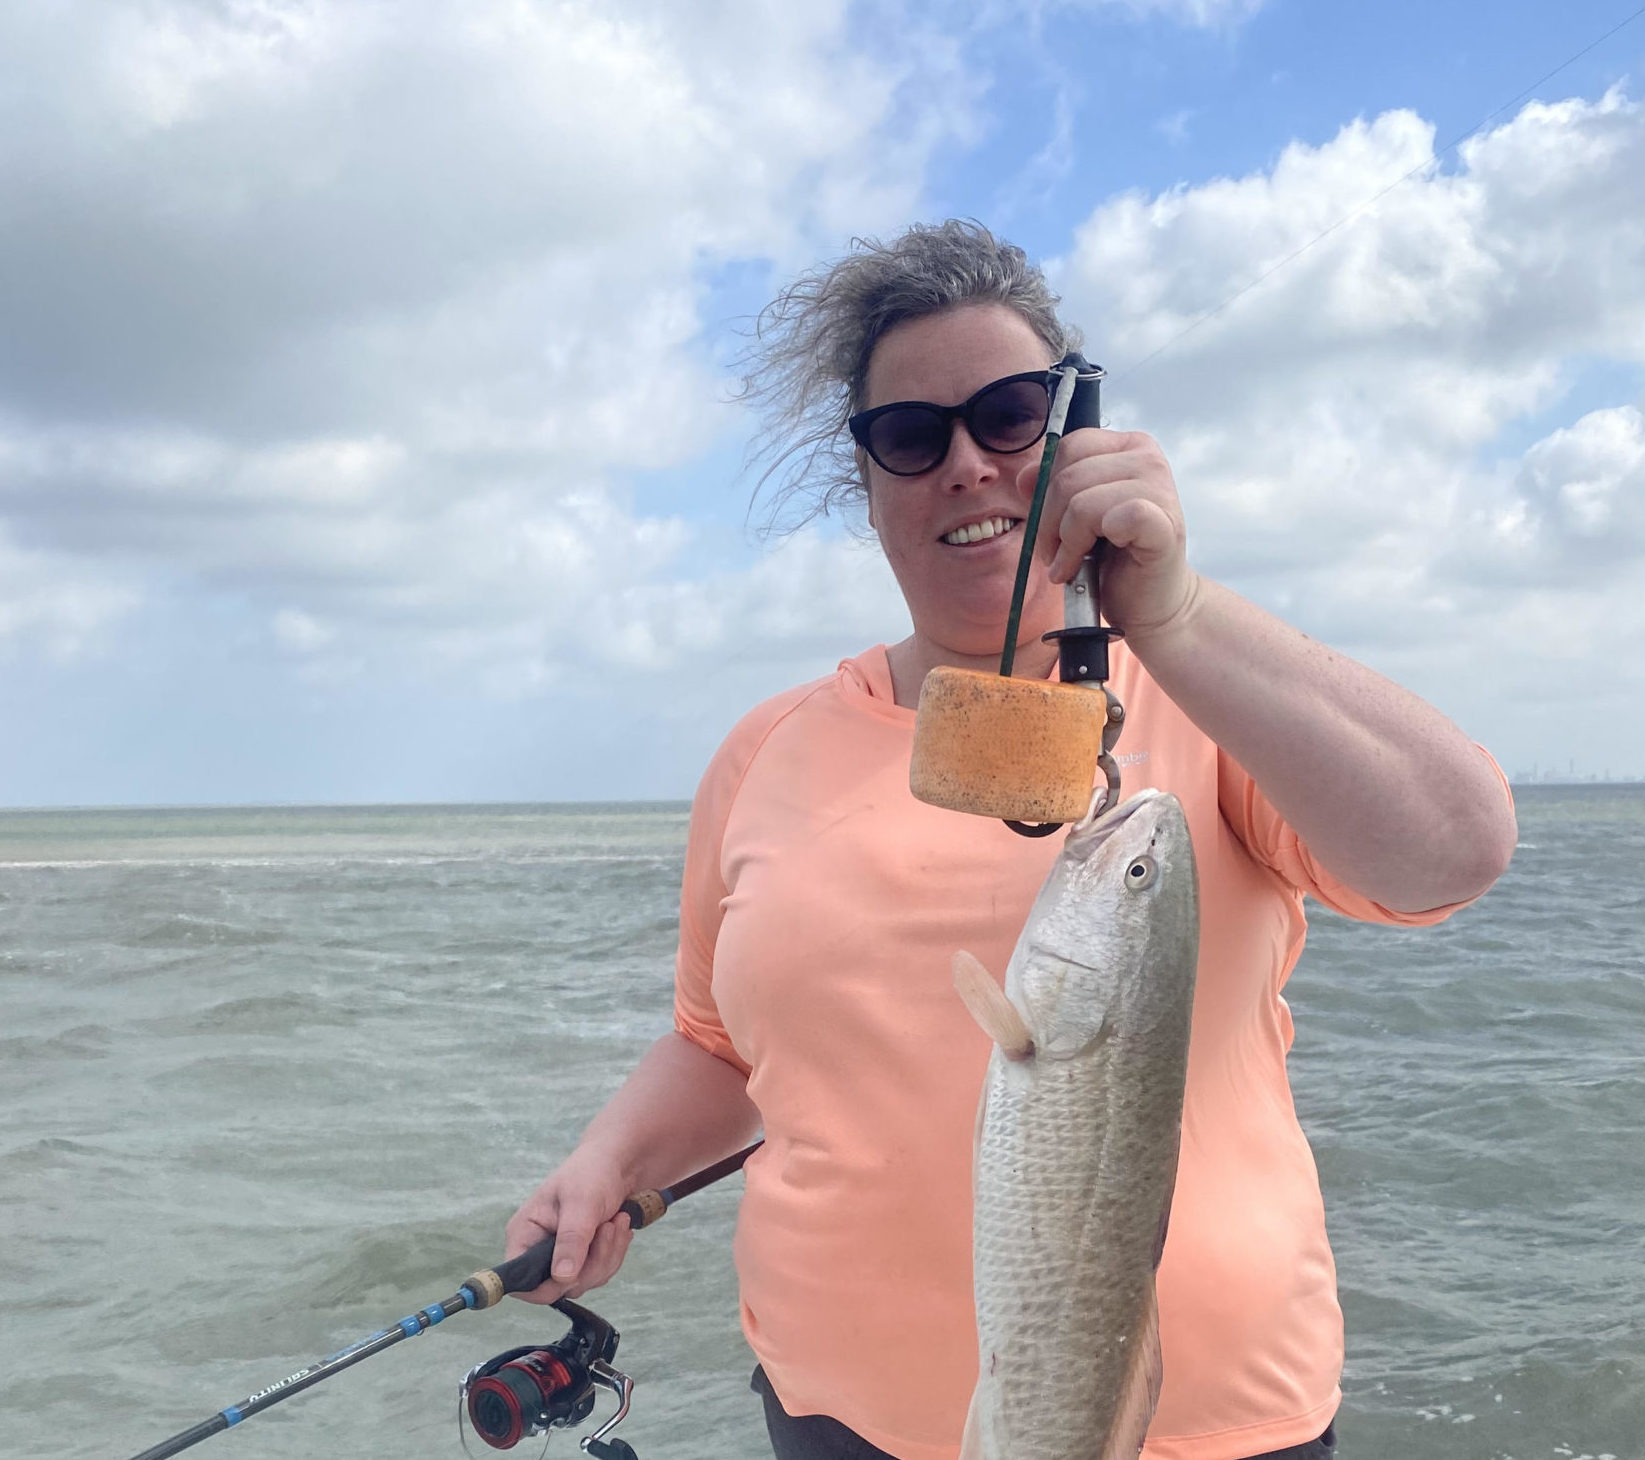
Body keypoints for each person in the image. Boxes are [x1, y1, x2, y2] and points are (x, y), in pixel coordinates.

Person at [505, 220, 1517, 1460]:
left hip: (1199, 1430)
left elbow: (1455, 848)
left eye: (1009, 415)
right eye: (910, 435)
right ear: (865, 479)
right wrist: (607, 1157)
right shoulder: (764, 752)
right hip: (839, 1412)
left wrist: (1173, 614)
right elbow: (719, 1044)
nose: (967, 465)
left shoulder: (1208, 700)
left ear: (1074, 432)